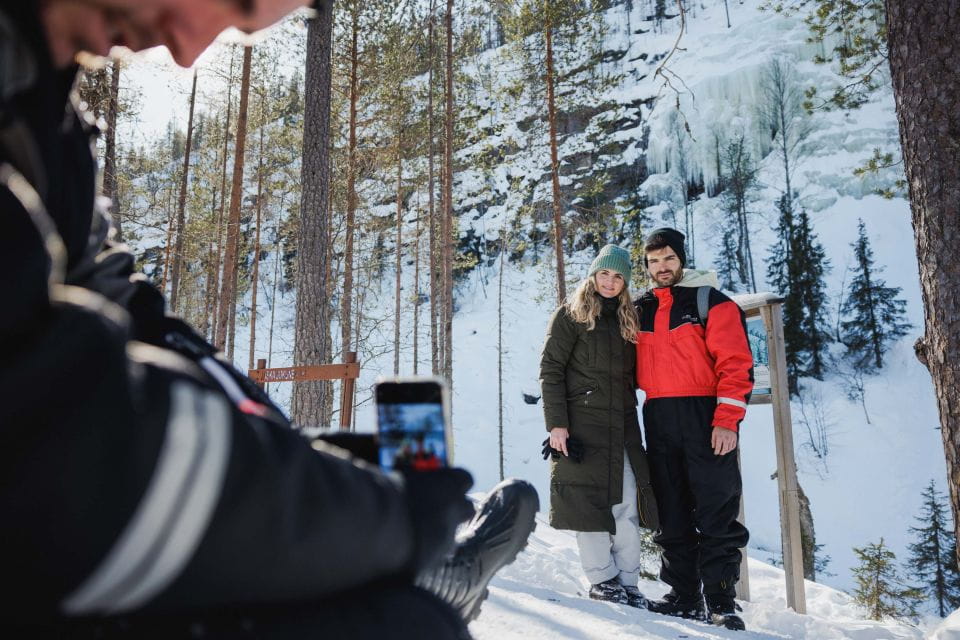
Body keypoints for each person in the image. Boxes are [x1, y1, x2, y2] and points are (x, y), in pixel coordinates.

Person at [0, 1, 538, 636]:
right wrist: (376, 518)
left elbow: (127, 309)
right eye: (236, 4)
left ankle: (426, 576)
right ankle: (432, 572)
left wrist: (288, 452)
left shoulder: (45, 116)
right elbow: (45, 437)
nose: (188, 52)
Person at [634, 228, 753, 631]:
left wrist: (727, 422)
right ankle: (682, 596)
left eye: (668, 258)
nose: (661, 267)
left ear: (681, 259)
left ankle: (721, 601)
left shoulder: (711, 303)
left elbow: (735, 365)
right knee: (671, 512)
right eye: (653, 261)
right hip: (658, 417)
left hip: (705, 417)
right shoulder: (638, 310)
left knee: (717, 510)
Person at [539, 244, 658, 607]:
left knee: (626, 505)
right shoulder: (570, 316)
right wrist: (557, 425)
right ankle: (602, 579)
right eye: (604, 274)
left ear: (625, 283)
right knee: (589, 505)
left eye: (618, 276)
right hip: (581, 428)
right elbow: (551, 371)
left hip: (622, 425)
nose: (610, 282)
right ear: (593, 275)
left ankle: (628, 581)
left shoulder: (628, 320)